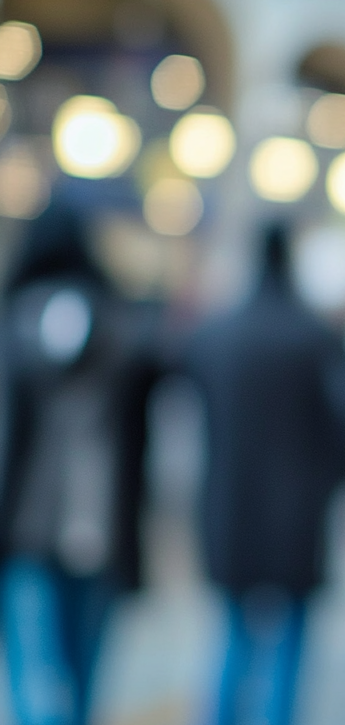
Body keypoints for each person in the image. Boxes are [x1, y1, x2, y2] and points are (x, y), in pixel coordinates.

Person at [186, 224, 345, 725]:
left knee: (231, 635)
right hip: (298, 515)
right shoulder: (314, 337)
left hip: (229, 509)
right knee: (289, 643)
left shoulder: (216, 334)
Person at [0, 199, 160, 725]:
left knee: (36, 680)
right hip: (103, 528)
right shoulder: (125, 328)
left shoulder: (13, 325)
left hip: (26, 528)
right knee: (81, 684)